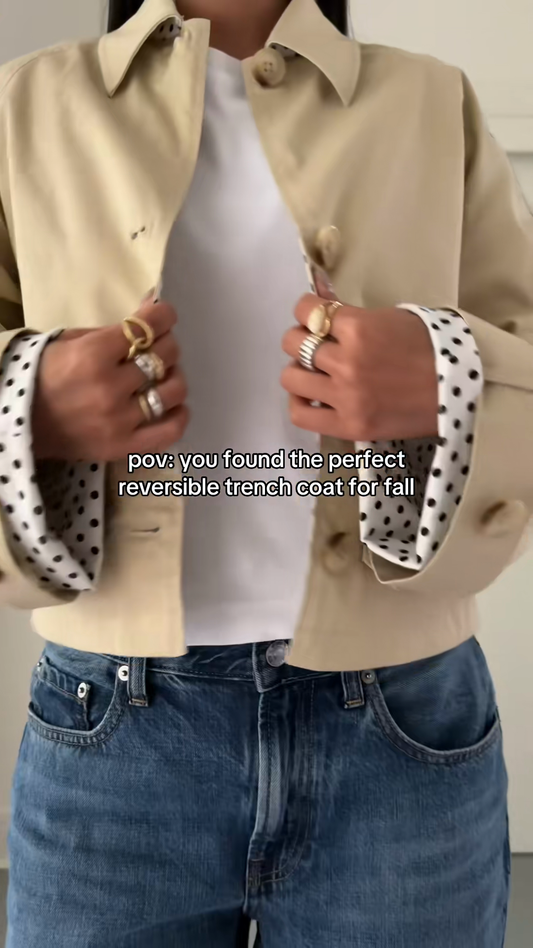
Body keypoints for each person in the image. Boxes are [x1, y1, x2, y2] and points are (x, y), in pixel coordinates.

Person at [0, 0, 531, 943]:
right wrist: (29, 399)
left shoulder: (428, 99)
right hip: (111, 730)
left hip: (404, 722)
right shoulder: (25, 103)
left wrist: (446, 370)